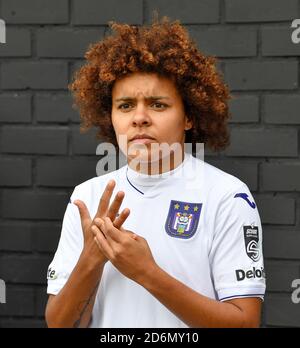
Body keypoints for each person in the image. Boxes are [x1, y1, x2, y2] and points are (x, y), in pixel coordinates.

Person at [45, 15, 266, 328]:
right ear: (110, 117)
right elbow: (58, 324)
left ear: (189, 116)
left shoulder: (227, 196)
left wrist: (147, 273)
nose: (139, 118)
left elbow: (245, 322)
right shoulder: (87, 197)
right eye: (124, 106)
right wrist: (92, 259)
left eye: (158, 105)